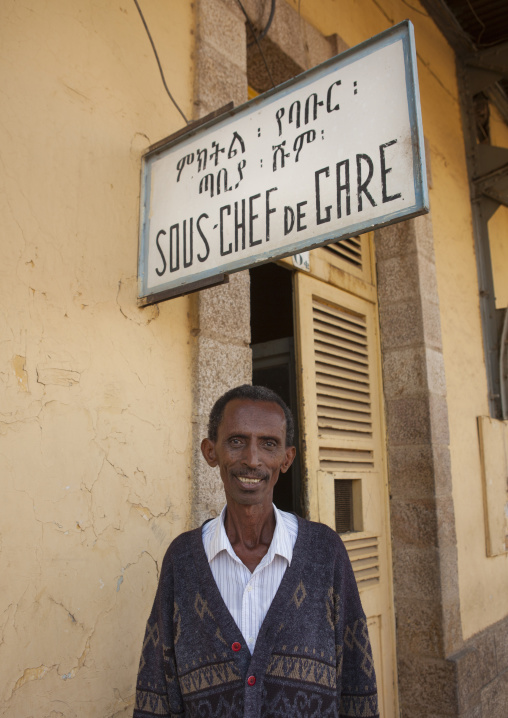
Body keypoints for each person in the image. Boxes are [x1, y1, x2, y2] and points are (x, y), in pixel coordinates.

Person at [134, 384, 379, 718]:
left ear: (286, 459)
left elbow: (356, 680)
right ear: (210, 451)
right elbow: (158, 687)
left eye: (269, 444)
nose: (252, 460)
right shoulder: (182, 560)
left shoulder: (325, 552)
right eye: (236, 441)